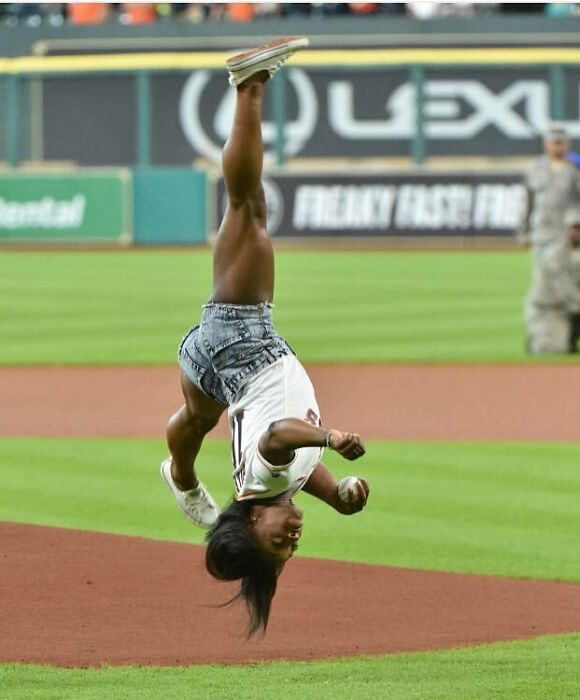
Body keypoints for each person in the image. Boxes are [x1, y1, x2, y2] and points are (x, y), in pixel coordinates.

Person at [160, 37, 370, 636]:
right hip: (213, 368)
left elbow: (282, 437)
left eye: (278, 544)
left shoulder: (267, 477)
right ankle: (179, 471)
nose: (292, 539)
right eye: (290, 551)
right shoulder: (274, 488)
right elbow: (302, 470)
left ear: (251, 524)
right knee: (195, 420)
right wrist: (341, 496)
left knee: (247, 205)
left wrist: (331, 436)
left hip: (240, 339)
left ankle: (248, 83)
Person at [525, 208, 580, 354]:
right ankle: (538, 338)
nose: (579, 232)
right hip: (548, 308)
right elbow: (563, 288)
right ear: (567, 230)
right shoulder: (555, 254)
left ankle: (571, 341)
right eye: (575, 228)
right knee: (552, 350)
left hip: (570, 307)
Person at [516, 123, 580, 256]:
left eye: (561, 143)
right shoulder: (535, 169)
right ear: (546, 144)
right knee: (545, 273)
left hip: (571, 232)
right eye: (554, 143)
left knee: (576, 273)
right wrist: (524, 232)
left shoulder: (577, 167)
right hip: (544, 231)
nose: (557, 147)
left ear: (567, 144)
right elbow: (527, 203)